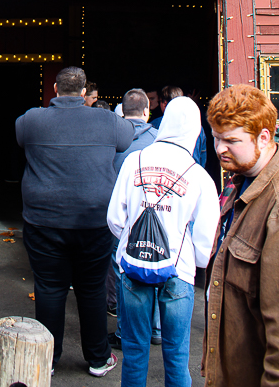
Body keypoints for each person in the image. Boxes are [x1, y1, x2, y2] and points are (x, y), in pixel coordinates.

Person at [16, 66, 134, 378]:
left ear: (55, 89)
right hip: (94, 221)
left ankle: (48, 359)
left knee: (50, 288)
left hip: (44, 221)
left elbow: (19, 135)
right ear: (84, 93)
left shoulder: (31, 120)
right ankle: (97, 358)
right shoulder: (108, 120)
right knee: (92, 289)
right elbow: (128, 138)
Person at [108, 96, 220, 387]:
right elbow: (206, 239)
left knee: (134, 351)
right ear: (196, 131)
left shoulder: (135, 160)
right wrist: (191, 264)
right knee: (177, 353)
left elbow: (114, 219)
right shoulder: (199, 176)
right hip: (178, 273)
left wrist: (134, 243)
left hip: (133, 266)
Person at [202, 84, 279, 387]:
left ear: (264, 136)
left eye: (231, 140)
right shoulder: (240, 181)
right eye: (216, 137)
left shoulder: (274, 202)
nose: (220, 148)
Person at [107, 88, 159, 351]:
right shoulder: (159, 140)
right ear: (147, 111)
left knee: (121, 273)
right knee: (159, 271)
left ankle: (124, 330)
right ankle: (157, 328)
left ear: (123, 112)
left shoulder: (112, 139)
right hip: (156, 217)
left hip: (121, 217)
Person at [152, 86, 207, 168]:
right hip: (192, 171)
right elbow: (203, 156)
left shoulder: (155, 124)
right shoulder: (197, 125)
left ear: (164, 104)